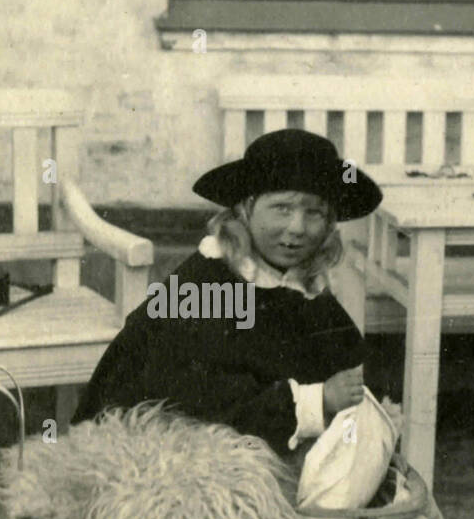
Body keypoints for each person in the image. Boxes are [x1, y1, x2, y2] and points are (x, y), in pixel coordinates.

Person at [71, 128, 383, 456]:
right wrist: (318, 400)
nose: (297, 228)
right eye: (282, 208)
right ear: (246, 210)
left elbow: (336, 351)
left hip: (253, 432)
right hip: (159, 439)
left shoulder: (295, 279)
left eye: (314, 213)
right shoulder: (207, 288)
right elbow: (207, 401)